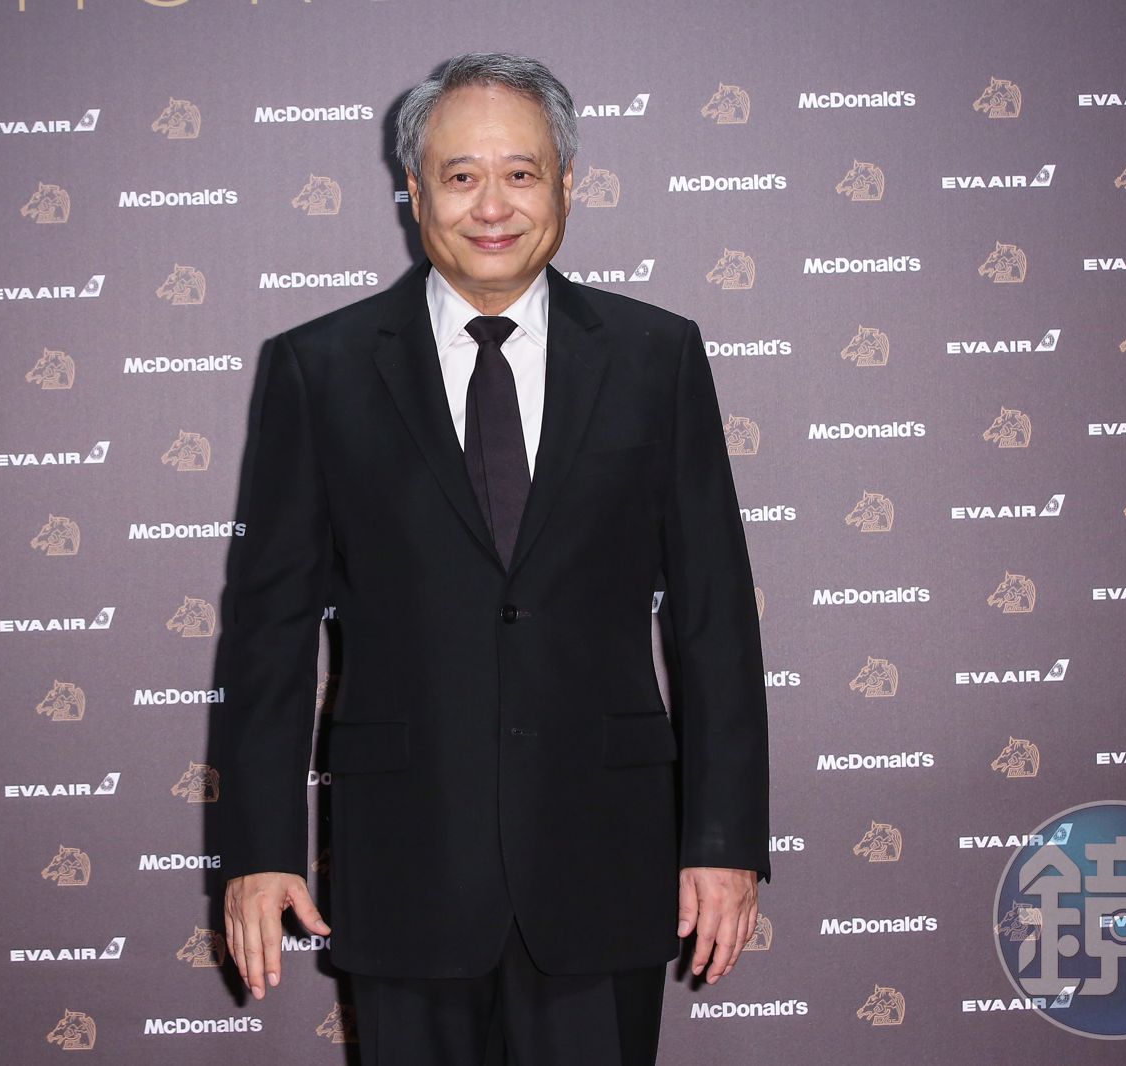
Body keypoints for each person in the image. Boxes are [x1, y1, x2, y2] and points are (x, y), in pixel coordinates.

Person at [212, 52, 770, 1066]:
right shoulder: (319, 368)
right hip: (406, 860)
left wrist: (723, 840)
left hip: (604, 856)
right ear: (413, 189)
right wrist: (259, 848)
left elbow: (713, 617)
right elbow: (269, 633)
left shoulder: (656, 357)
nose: (492, 206)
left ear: (568, 183)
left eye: (521, 172)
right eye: (460, 175)